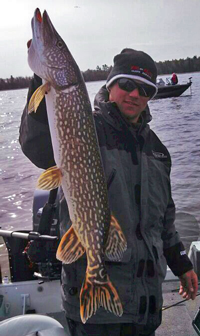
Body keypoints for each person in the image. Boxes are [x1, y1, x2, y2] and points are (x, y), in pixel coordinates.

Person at [19, 48, 198, 336]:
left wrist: (181, 263)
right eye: (127, 84)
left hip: (146, 306)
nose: (135, 94)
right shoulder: (85, 129)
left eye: (146, 89)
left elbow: (164, 221)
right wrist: (42, 77)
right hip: (96, 315)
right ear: (110, 85)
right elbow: (38, 148)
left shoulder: (158, 152)